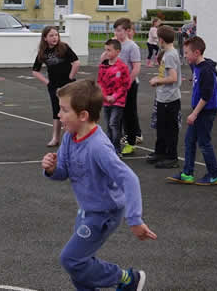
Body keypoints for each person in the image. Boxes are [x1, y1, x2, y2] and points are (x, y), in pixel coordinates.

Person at [41, 79, 157, 291]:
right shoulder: (69, 137)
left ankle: (127, 278)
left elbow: (129, 179)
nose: (59, 115)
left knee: (72, 259)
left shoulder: (98, 147)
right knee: (81, 263)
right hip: (87, 210)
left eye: (64, 110)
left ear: (83, 115)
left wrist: (134, 219)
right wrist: (51, 169)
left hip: (105, 213)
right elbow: (63, 172)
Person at [167, 36, 217, 185]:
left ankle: (214, 175)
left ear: (197, 53)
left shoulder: (206, 70)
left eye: (187, 53)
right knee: (189, 140)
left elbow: (207, 95)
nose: (184, 56)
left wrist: (194, 113)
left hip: (205, 111)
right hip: (202, 110)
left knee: (204, 143)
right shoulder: (196, 66)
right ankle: (187, 173)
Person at [32, 25, 81, 147]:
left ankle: (74, 136)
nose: (54, 38)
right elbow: (35, 71)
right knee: (56, 111)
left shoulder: (64, 47)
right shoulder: (43, 52)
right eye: (51, 35)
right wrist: (47, 82)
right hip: (54, 86)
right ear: (45, 38)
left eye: (56, 35)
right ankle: (55, 137)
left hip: (68, 85)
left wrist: (70, 77)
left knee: (71, 110)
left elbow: (76, 62)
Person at [147, 26, 182, 169]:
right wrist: (159, 80)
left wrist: (157, 81)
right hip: (163, 97)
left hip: (170, 99)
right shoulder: (167, 53)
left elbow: (173, 78)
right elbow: (166, 76)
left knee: (170, 129)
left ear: (161, 40)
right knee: (161, 128)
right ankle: (160, 152)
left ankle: (172, 157)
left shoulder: (170, 55)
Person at [113, 18, 142, 156]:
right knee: (115, 115)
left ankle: (131, 143)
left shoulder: (132, 46)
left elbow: (136, 68)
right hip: (115, 85)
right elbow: (105, 59)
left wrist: (127, 84)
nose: (117, 33)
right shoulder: (114, 45)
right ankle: (115, 142)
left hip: (129, 85)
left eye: (119, 30)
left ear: (126, 31)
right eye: (115, 30)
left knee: (129, 114)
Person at [97, 39, 131, 156]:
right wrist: (105, 96)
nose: (106, 52)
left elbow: (125, 84)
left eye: (109, 50)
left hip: (118, 101)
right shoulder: (103, 66)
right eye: (105, 50)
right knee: (108, 125)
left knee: (113, 123)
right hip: (106, 101)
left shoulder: (122, 67)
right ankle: (110, 148)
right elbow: (100, 82)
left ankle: (117, 149)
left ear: (117, 51)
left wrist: (114, 96)